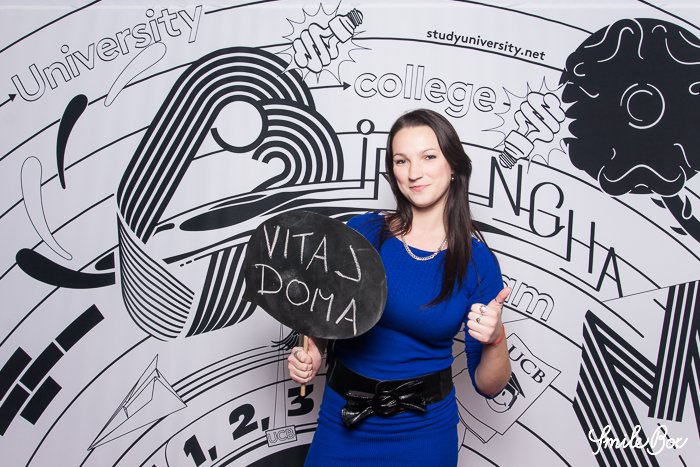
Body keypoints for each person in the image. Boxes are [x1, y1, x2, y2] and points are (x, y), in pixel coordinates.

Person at [288, 108, 512, 466]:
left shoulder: (478, 263)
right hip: (343, 421)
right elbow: (324, 312)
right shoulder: (362, 232)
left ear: (453, 165)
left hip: (424, 436)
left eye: (428, 157)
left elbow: (489, 385)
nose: (414, 172)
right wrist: (313, 351)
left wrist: (495, 337)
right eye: (401, 160)